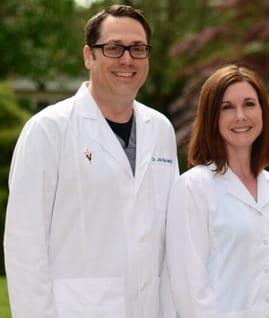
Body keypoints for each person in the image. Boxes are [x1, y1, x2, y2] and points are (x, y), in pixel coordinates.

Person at [4, 5, 179, 318]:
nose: (127, 59)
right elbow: (23, 245)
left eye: (138, 49)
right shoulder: (48, 130)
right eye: (113, 48)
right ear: (89, 55)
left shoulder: (161, 130)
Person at [166, 65, 269, 318]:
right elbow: (189, 289)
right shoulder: (193, 187)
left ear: (263, 112)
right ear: (211, 118)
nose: (240, 116)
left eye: (249, 104)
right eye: (227, 107)